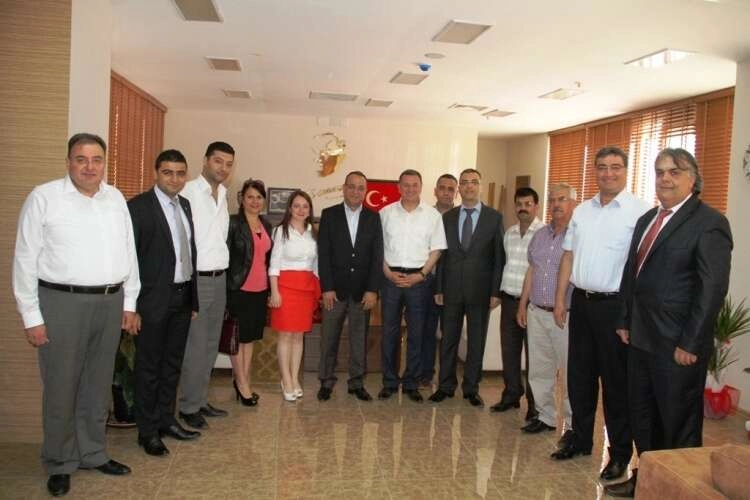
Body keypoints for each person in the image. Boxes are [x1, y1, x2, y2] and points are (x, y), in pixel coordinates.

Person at [12, 133, 140, 497]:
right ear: (68, 161)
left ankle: (93, 453)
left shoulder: (115, 199)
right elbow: (25, 258)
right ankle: (60, 462)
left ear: (104, 163)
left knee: (97, 386)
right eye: (81, 159)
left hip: (109, 302)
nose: (89, 166)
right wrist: (31, 315)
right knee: (61, 386)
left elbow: (128, 251)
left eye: (96, 159)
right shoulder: (44, 198)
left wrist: (130, 302)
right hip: (61, 303)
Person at [605, 149, 732, 497]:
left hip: (677, 345)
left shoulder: (709, 223)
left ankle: (680, 489)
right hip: (640, 339)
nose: (665, 179)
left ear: (693, 178)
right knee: (642, 416)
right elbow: (632, 275)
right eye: (660, 172)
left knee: (678, 424)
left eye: (675, 172)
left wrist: (691, 342)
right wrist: (625, 319)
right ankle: (647, 480)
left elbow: (711, 290)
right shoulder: (648, 218)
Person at [551, 146, 650, 483]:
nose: (608, 173)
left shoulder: (641, 212)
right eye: (602, 167)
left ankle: (619, 453)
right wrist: (561, 298)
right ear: (595, 171)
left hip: (615, 307)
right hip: (581, 303)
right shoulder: (581, 211)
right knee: (579, 377)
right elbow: (568, 256)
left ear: (626, 170)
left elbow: (643, 267)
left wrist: (631, 315)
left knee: (615, 383)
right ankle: (580, 439)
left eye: (615, 167)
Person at [128, 149, 200, 456]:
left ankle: (166, 420)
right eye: (168, 172)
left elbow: (189, 254)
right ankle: (147, 431)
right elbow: (130, 259)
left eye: (180, 173)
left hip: (182, 296)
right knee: (149, 367)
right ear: (156, 173)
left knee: (172, 364)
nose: (174, 178)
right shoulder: (138, 208)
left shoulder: (185, 205)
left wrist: (193, 300)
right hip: (152, 301)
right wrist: (132, 306)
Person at [429, 168, 503, 407]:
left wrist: (495, 292)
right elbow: (441, 256)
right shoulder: (447, 218)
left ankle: (471, 388)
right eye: (465, 182)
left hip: (481, 292)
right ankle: (445, 386)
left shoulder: (494, 217)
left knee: (476, 342)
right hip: (451, 290)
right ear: (459, 188)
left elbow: (498, 258)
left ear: (479, 186)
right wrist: (439, 288)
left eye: (474, 182)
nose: (469, 186)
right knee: (448, 340)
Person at [178, 141, 234, 429]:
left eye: (228, 164)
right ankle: (188, 406)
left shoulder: (223, 194)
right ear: (205, 160)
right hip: (197, 280)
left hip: (219, 277)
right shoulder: (187, 192)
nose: (223, 168)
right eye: (218, 161)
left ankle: (200, 400)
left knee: (211, 344)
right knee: (195, 346)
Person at [379, 169, 447, 402]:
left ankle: (411, 382)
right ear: (398, 187)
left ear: (421, 187)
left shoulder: (432, 216)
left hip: (419, 281)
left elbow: (437, 249)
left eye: (414, 185)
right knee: (389, 332)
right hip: (391, 278)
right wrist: (387, 272)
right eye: (405, 185)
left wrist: (422, 274)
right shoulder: (385, 213)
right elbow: (377, 248)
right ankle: (389, 381)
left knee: (417, 333)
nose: (410, 189)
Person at [317, 171, 383, 402]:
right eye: (351, 186)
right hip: (334, 291)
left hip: (362, 291)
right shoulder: (329, 215)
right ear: (344, 189)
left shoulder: (373, 218)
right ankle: (326, 381)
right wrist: (326, 287)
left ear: (365, 191)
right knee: (329, 338)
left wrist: (373, 289)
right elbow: (323, 253)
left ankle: (356, 383)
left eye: (360, 188)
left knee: (359, 339)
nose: (356, 191)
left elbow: (377, 256)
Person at [516, 183, 577, 437]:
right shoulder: (540, 235)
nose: (556, 204)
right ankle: (546, 416)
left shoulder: (579, 235)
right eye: (552, 200)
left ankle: (573, 425)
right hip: (536, 311)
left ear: (573, 203)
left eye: (562, 199)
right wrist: (522, 304)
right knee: (540, 369)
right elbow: (532, 269)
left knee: (570, 371)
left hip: (564, 314)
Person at [490, 187, 543, 418]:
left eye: (528, 204)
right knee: (509, 351)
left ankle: (534, 404)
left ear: (536, 206)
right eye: (519, 204)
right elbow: (504, 264)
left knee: (534, 356)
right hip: (509, 300)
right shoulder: (509, 233)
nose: (523, 208)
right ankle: (511, 394)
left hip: (532, 304)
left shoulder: (543, 234)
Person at [268, 190, 320, 402]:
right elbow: (274, 264)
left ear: (309, 210)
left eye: (305, 206)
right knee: (285, 335)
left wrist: (317, 289)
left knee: (299, 335)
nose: (301, 210)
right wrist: (274, 292)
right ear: (290, 208)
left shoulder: (313, 232)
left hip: (306, 288)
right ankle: (286, 379)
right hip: (285, 287)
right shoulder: (280, 231)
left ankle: (295, 378)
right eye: (297, 206)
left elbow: (316, 265)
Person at [226, 179, 273, 407]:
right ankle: (243, 384)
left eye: (259, 197)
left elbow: (268, 259)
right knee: (238, 338)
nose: (255, 201)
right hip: (239, 288)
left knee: (250, 338)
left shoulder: (267, 224)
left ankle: (242, 380)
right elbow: (226, 257)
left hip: (260, 289)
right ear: (242, 199)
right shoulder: (233, 223)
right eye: (250, 197)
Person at [418, 173, 458, 387]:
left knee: (449, 332)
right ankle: (426, 373)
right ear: (435, 191)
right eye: (442, 188)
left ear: (456, 193)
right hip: (427, 280)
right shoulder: (425, 215)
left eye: (451, 189)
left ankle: (447, 377)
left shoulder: (461, 217)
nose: (446, 192)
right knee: (427, 329)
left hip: (452, 284)